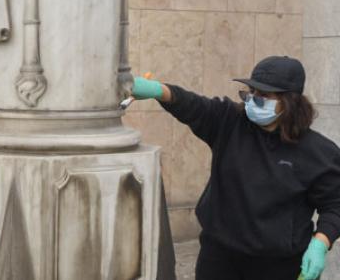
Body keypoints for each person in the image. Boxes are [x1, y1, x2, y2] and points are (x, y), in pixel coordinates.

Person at [130, 56, 340, 280]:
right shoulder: (229, 122)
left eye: (264, 96)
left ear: (289, 102)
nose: (253, 100)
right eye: (251, 93)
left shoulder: (319, 152)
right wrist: (158, 90)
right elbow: (194, 106)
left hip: (279, 266)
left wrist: (321, 241)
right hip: (219, 258)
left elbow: (335, 204)